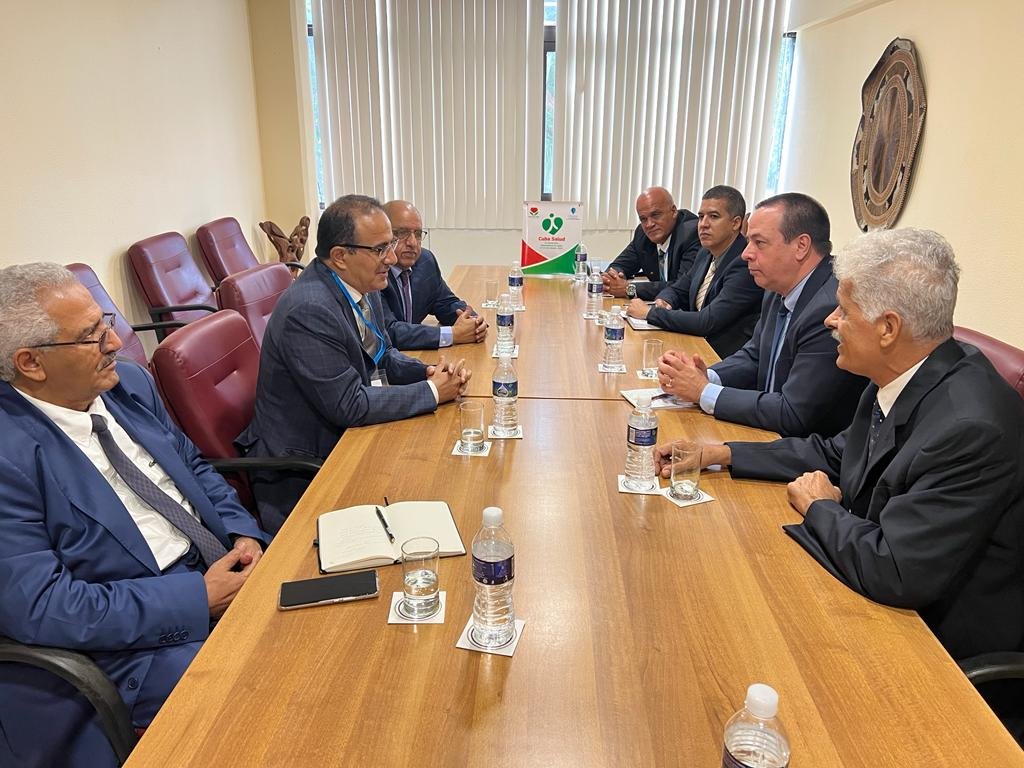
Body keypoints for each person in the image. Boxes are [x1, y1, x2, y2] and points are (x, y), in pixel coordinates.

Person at [656, 228, 1024, 662]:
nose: (830, 320)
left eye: (844, 311)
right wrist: (723, 453)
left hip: (935, 645)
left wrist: (819, 507)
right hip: (873, 582)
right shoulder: (902, 373)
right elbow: (835, 453)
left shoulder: (970, 428)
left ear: (888, 328)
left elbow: (896, 569)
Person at [0, 263, 269, 768]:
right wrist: (197, 598)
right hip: (132, 645)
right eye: (91, 335)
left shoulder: (127, 384)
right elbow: (43, 607)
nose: (114, 342)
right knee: (280, 688)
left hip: (219, 567)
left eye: (106, 322)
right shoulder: (8, 455)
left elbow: (194, 468)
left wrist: (242, 534)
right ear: (31, 363)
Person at [237, 194, 470, 532]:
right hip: (306, 469)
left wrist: (428, 373)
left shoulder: (361, 284)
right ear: (340, 256)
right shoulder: (309, 310)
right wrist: (432, 392)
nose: (392, 257)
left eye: (390, 245)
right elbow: (349, 404)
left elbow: (382, 353)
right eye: (380, 249)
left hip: (348, 438)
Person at [657, 192, 867, 437]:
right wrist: (706, 376)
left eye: (759, 243)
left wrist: (703, 391)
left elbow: (793, 414)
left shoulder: (830, 309)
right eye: (748, 241)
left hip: (803, 449)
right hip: (767, 430)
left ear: (801, 246)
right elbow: (755, 355)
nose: (745, 253)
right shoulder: (777, 287)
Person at [626, 185, 763, 358]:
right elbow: (678, 288)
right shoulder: (705, 253)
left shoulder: (745, 263)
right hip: (695, 344)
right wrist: (664, 301)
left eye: (713, 217)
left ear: (735, 223)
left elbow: (707, 321)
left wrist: (650, 313)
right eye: (701, 216)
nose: (703, 224)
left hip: (720, 357)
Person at [380, 199, 488, 350]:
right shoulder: (375, 272)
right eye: (403, 233)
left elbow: (445, 303)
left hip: (411, 355)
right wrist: (453, 334)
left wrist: (473, 323)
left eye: (418, 234)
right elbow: (389, 331)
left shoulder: (425, 261)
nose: (412, 242)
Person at [602, 186, 700, 300]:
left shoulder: (691, 234)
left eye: (655, 215)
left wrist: (629, 289)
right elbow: (619, 265)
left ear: (673, 211)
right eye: (643, 219)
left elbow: (682, 288)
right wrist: (612, 279)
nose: (649, 224)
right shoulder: (643, 234)